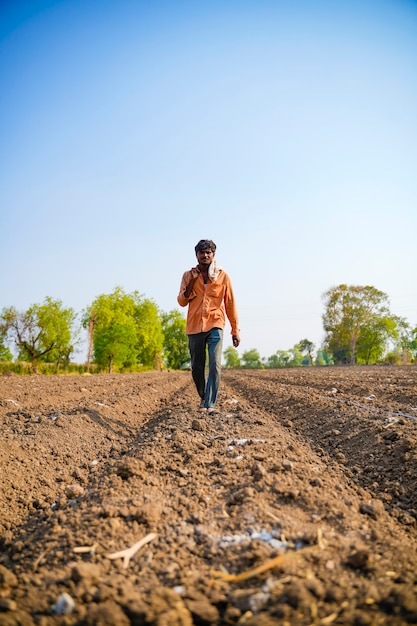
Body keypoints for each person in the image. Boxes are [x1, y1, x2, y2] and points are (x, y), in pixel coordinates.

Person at [177, 239, 240, 414]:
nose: (205, 255)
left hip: (215, 323)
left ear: (213, 255)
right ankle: (204, 397)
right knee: (197, 367)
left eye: (208, 252)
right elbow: (182, 301)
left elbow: (230, 303)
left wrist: (235, 330)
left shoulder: (222, 276)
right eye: (202, 252)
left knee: (215, 363)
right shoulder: (188, 275)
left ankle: (210, 404)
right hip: (194, 326)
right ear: (196, 255)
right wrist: (192, 281)